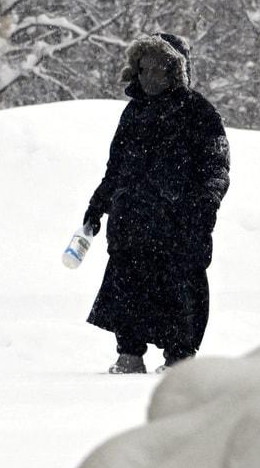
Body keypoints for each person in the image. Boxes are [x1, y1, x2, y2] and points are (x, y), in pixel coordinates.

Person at [82, 32, 230, 375]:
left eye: (158, 69)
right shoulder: (132, 115)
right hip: (130, 222)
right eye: (143, 68)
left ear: (175, 71)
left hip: (180, 226)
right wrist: (97, 206)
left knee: (179, 291)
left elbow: (216, 169)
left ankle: (179, 360)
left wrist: (203, 208)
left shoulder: (200, 114)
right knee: (127, 286)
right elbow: (115, 169)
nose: (149, 76)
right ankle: (129, 355)